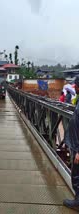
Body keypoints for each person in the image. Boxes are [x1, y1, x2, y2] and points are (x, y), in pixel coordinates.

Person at [63, 76, 79, 210]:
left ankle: (78, 202)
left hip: (78, 146)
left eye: (77, 86)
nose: (75, 88)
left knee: (77, 174)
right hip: (75, 143)